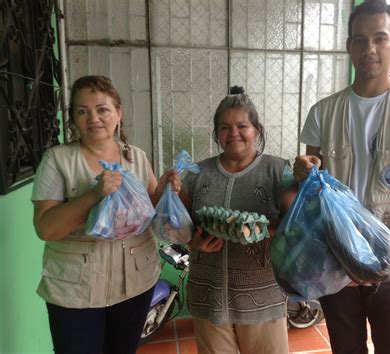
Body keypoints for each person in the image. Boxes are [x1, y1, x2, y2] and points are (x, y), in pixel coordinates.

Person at [294, 1, 390, 353]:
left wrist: (386, 253)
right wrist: (302, 170)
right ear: (349, 46)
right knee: (345, 348)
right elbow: (310, 182)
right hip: (336, 261)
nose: (370, 49)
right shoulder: (323, 112)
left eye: (379, 38)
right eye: (360, 40)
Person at [31, 75, 177, 354]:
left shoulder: (136, 156)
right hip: (75, 290)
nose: (93, 118)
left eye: (102, 109)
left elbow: (151, 211)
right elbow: (45, 229)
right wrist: (93, 195)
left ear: (118, 113)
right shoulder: (57, 160)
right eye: (82, 111)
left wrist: (165, 191)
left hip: (135, 283)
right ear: (73, 118)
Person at [173, 86, 293, 354]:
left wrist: (261, 229)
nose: (233, 133)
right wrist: (193, 240)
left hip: (262, 298)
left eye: (242, 125)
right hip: (209, 294)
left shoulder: (278, 171)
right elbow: (181, 224)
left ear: (256, 130)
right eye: (225, 128)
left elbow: (297, 224)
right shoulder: (198, 174)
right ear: (217, 134)